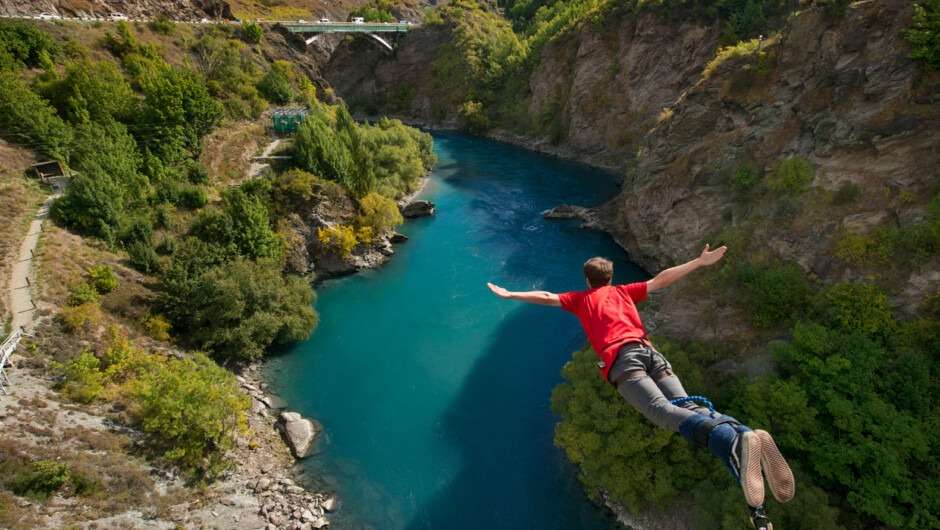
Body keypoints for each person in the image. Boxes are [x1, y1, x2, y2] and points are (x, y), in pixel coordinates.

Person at [486, 245, 794, 529]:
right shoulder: (622, 292)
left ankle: (733, 441)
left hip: (623, 360)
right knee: (688, 406)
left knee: (661, 412)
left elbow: (547, 297)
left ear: (587, 280)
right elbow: (661, 280)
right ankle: (742, 433)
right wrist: (699, 263)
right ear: (610, 277)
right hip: (650, 352)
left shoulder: (581, 300)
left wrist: (510, 294)